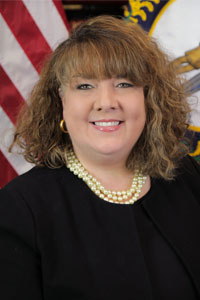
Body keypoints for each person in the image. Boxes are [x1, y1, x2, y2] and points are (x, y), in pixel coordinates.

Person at [0, 15, 200, 300]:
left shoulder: (187, 178)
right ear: (61, 100)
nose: (106, 102)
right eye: (85, 86)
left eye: (124, 84)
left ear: (148, 97)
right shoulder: (20, 209)